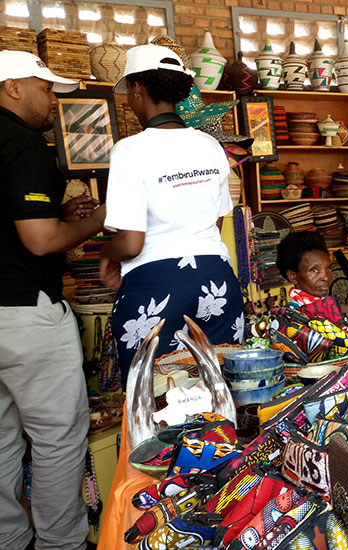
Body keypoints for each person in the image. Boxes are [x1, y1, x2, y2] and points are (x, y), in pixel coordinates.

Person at [0, 50, 106, 550]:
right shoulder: (23, 144)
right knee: (57, 439)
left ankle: (9, 540)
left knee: (1, 441)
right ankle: (61, 543)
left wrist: (60, 210)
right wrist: (95, 220)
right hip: (26, 314)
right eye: (44, 89)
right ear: (12, 87)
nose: (51, 102)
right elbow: (40, 241)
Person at [99, 45, 243, 381]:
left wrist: (108, 254)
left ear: (138, 89)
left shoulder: (130, 150)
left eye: (129, 93)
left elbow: (131, 243)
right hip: (216, 277)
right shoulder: (210, 146)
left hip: (157, 283)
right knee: (220, 387)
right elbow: (217, 219)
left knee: (152, 397)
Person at [276, 231, 348, 342]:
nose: (326, 277)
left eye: (328, 269)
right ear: (293, 276)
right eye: (314, 270)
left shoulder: (335, 307)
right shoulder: (291, 316)